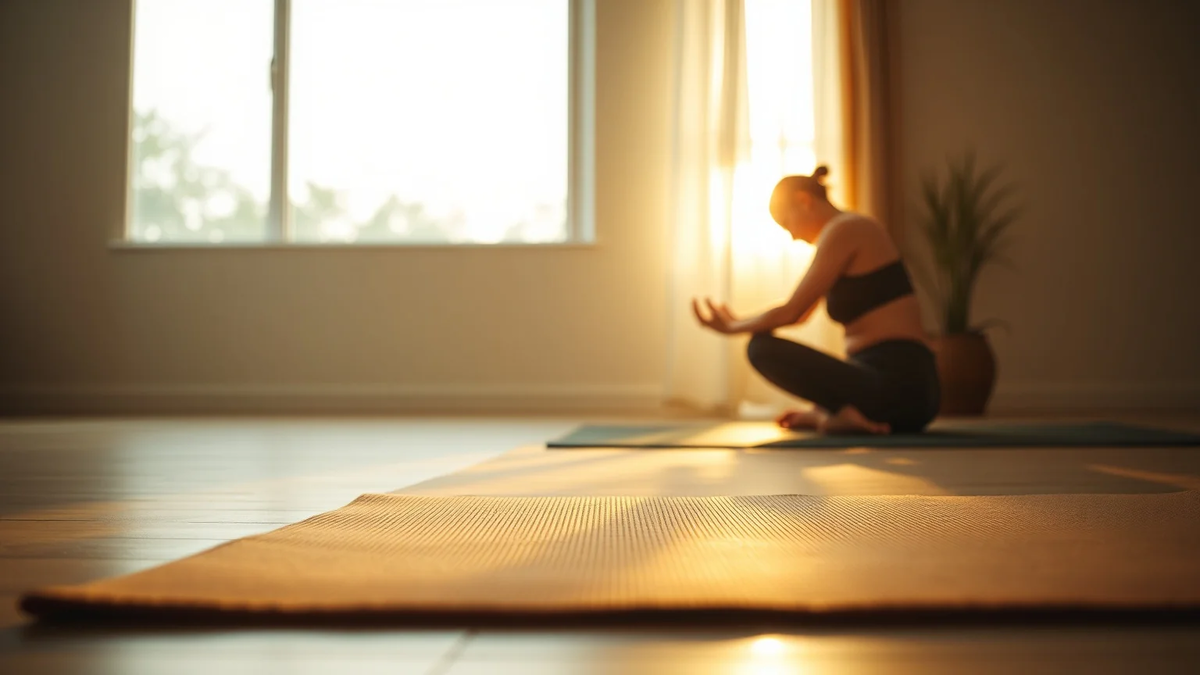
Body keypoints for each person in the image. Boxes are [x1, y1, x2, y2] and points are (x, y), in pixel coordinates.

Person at [692, 165, 940, 435]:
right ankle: (835, 413)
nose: (793, 237)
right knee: (762, 346)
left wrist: (732, 326)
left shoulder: (848, 228)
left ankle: (834, 415)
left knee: (760, 348)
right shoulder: (844, 233)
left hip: (903, 383)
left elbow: (792, 312)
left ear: (804, 201)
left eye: (787, 224)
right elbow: (800, 314)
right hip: (880, 384)